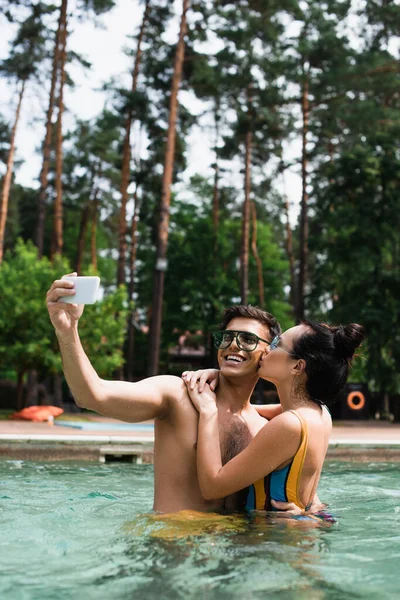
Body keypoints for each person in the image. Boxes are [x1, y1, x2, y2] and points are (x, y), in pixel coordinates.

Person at [46, 273, 304, 514]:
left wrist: (302, 515)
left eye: (247, 340)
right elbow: (92, 395)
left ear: (268, 353)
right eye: (227, 337)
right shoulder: (178, 395)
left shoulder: (265, 427)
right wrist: (68, 332)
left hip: (234, 551)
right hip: (172, 549)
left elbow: (299, 491)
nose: (233, 345)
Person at [183, 321, 364, 514]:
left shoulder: (288, 425)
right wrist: (222, 377)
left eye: (277, 344)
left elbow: (212, 487)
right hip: (292, 537)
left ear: (297, 366)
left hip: (269, 540)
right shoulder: (319, 413)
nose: (267, 350)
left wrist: (208, 410)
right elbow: (248, 410)